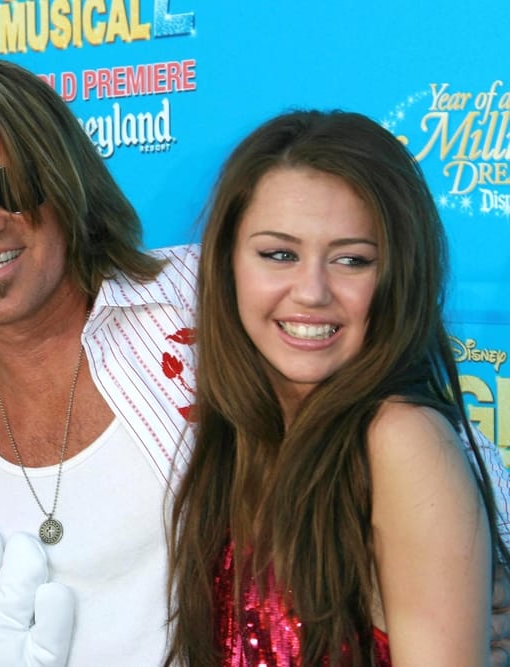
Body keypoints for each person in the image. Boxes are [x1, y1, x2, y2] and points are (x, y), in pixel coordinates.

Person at [0, 57, 510, 665]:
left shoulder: (205, 296)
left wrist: (476, 591)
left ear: (63, 182)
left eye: (12, 186)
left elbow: (437, 469)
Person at [165, 109, 510, 666]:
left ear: (397, 276)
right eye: (280, 254)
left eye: (352, 260)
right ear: (226, 265)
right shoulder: (238, 439)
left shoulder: (401, 439)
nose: (312, 291)